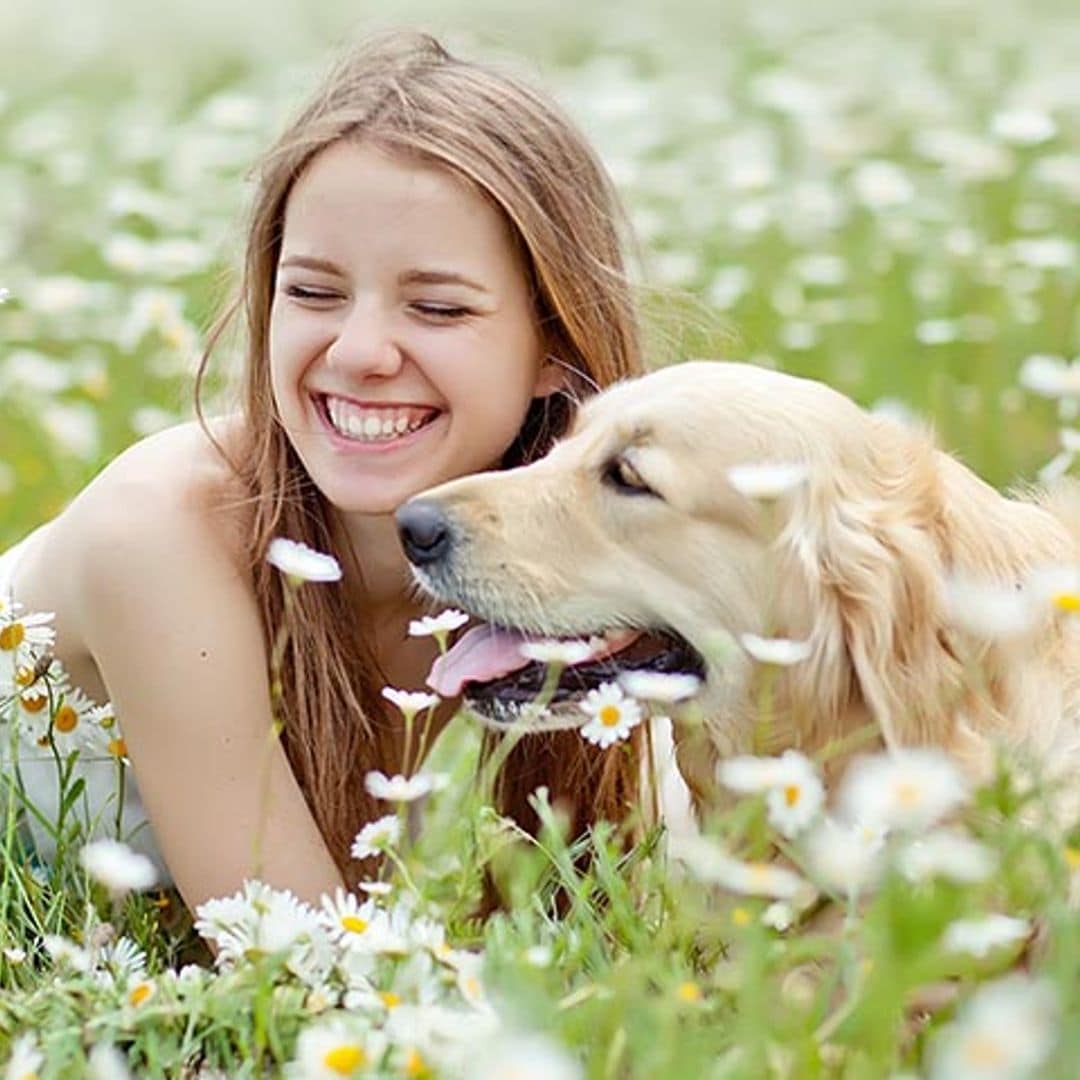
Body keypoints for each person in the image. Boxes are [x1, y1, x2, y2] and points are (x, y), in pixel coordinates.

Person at [0, 31, 649, 912]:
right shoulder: (156, 535)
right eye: (312, 293)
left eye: (436, 306)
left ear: (554, 345)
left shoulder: (555, 555)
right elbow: (300, 971)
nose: (359, 351)